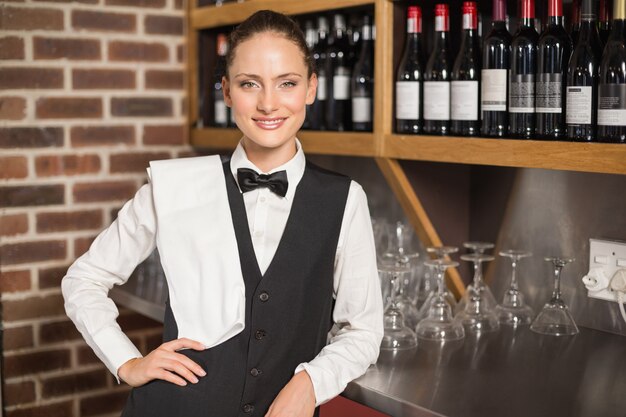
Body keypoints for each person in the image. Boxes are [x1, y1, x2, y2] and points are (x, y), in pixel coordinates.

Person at [62, 9, 383, 417]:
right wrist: (126, 362)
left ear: (311, 88)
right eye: (250, 84)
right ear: (227, 91)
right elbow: (83, 280)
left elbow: (364, 331)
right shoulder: (175, 187)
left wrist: (310, 383)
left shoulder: (346, 199)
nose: (269, 103)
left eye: (287, 83)